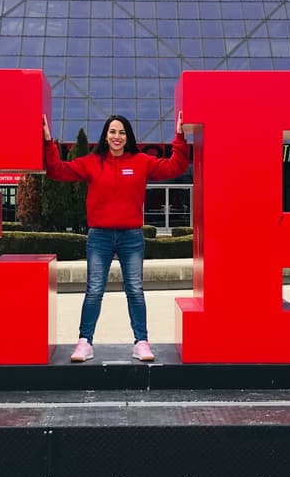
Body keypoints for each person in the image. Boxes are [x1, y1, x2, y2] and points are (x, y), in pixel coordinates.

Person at [43, 110, 188, 362]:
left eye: (121, 132)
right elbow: (58, 170)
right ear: (106, 135)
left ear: (128, 136)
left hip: (131, 237)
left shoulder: (142, 161)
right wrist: (48, 141)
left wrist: (179, 135)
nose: (117, 136)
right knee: (94, 290)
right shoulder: (92, 162)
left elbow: (175, 166)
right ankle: (85, 343)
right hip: (99, 236)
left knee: (135, 290)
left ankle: (141, 342)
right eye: (112, 132)